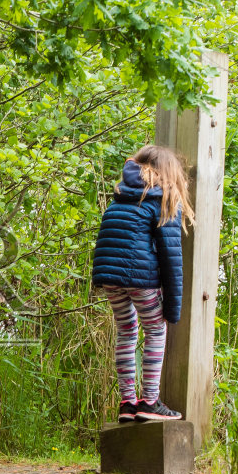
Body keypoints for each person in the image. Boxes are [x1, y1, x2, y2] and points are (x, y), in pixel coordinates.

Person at [91, 144, 192, 422]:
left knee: (126, 330)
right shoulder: (164, 198)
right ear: (169, 172)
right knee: (156, 330)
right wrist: (172, 308)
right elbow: (171, 259)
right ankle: (149, 401)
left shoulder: (121, 195)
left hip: (108, 276)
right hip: (141, 278)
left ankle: (127, 403)